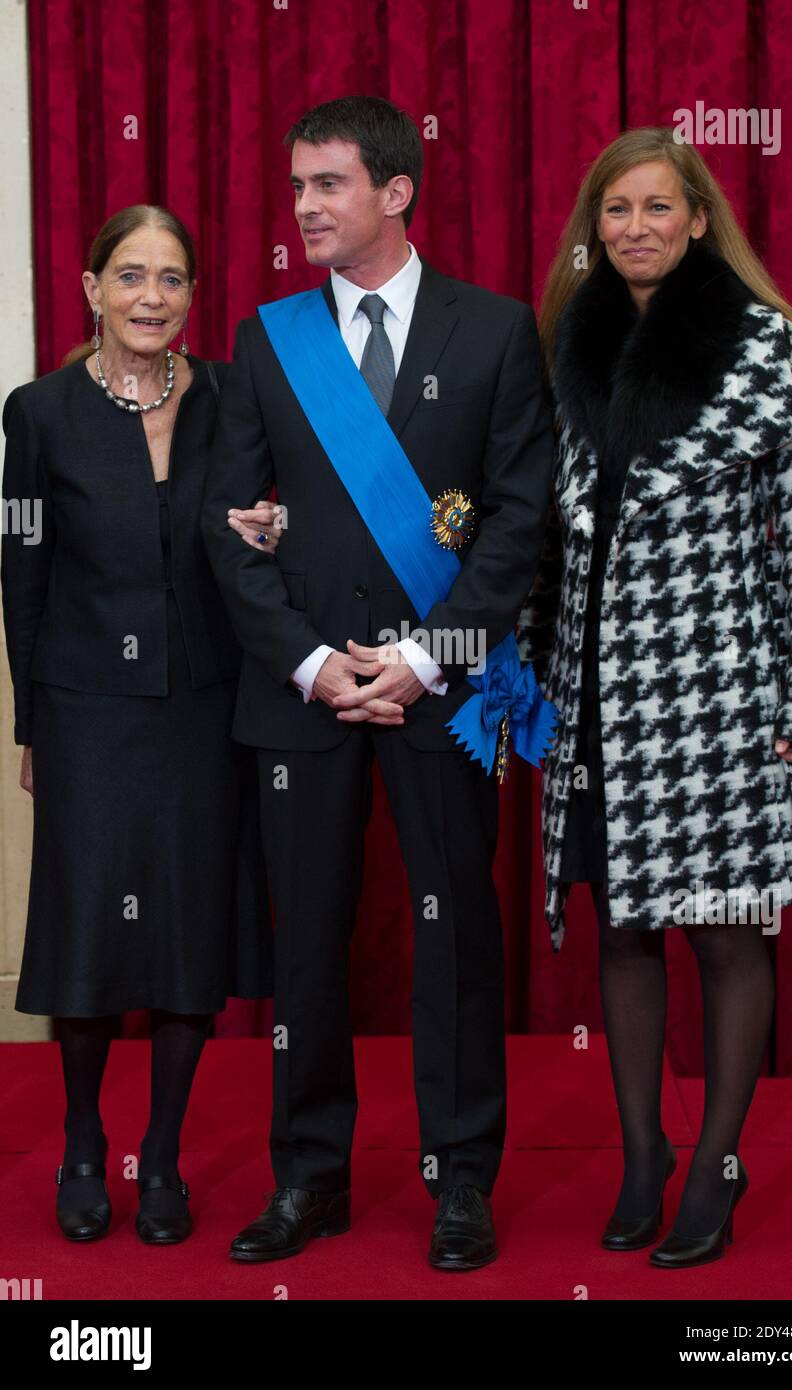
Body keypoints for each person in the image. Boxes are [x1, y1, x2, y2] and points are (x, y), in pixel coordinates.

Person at [201, 95, 554, 1271]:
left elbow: (516, 526)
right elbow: (232, 525)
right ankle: (309, 1178)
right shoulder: (268, 338)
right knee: (306, 941)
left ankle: (462, 1181)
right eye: (297, 186)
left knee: (454, 937)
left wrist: (417, 658)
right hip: (303, 693)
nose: (303, 206)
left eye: (328, 184)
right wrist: (312, 662)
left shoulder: (496, 333)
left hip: (442, 692)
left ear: (397, 192)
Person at [518, 126, 792, 1269]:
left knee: (722, 929)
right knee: (622, 928)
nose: (634, 229)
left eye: (657, 208)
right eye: (615, 212)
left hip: (718, 693)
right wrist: (530, 679)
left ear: (699, 217)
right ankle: (643, 1156)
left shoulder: (763, 345)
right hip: (599, 693)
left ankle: (716, 1162)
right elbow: (555, 538)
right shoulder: (576, 339)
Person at [1, 205, 278, 1247]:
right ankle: (83, 1145)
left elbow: (261, 531)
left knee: (185, 924)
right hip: (83, 709)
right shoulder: (37, 412)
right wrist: (32, 719)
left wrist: (279, 527)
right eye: (130, 276)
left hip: (207, 707)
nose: (150, 297)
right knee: (85, 928)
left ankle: (160, 1156)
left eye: (170, 279)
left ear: (192, 295)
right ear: (90, 288)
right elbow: (20, 570)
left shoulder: (228, 399)